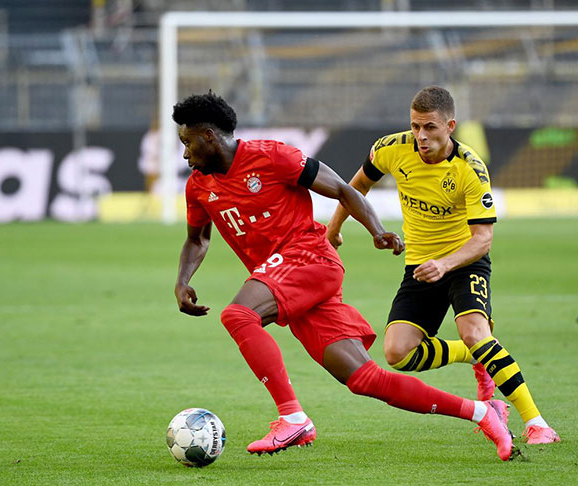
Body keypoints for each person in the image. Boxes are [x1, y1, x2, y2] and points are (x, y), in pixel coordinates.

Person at [172, 92, 516, 461]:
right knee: (365, 380)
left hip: (307, 258)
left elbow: (343, 189)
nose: (185, 154)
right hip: (284, 281)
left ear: (208, 135)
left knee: (238, 314)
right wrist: (182, 280)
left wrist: (376, 230)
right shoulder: (199, 186)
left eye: (188, 143)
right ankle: (483, 413)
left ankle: (292, 417)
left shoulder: (272, 156)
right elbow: (198, 239)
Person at [326, 86, 560, 445]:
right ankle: (474, 357)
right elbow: (354, 187)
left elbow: (483, 239)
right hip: (420, 265)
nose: (421, 135)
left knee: (475, 331)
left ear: (450, 125)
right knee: (397, 354)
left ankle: (537, 423)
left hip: (465, 262)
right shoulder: (391, 149)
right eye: (416, 125)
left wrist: (445, 263)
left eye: (430, 127)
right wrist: (335, 228)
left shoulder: (470, 169)